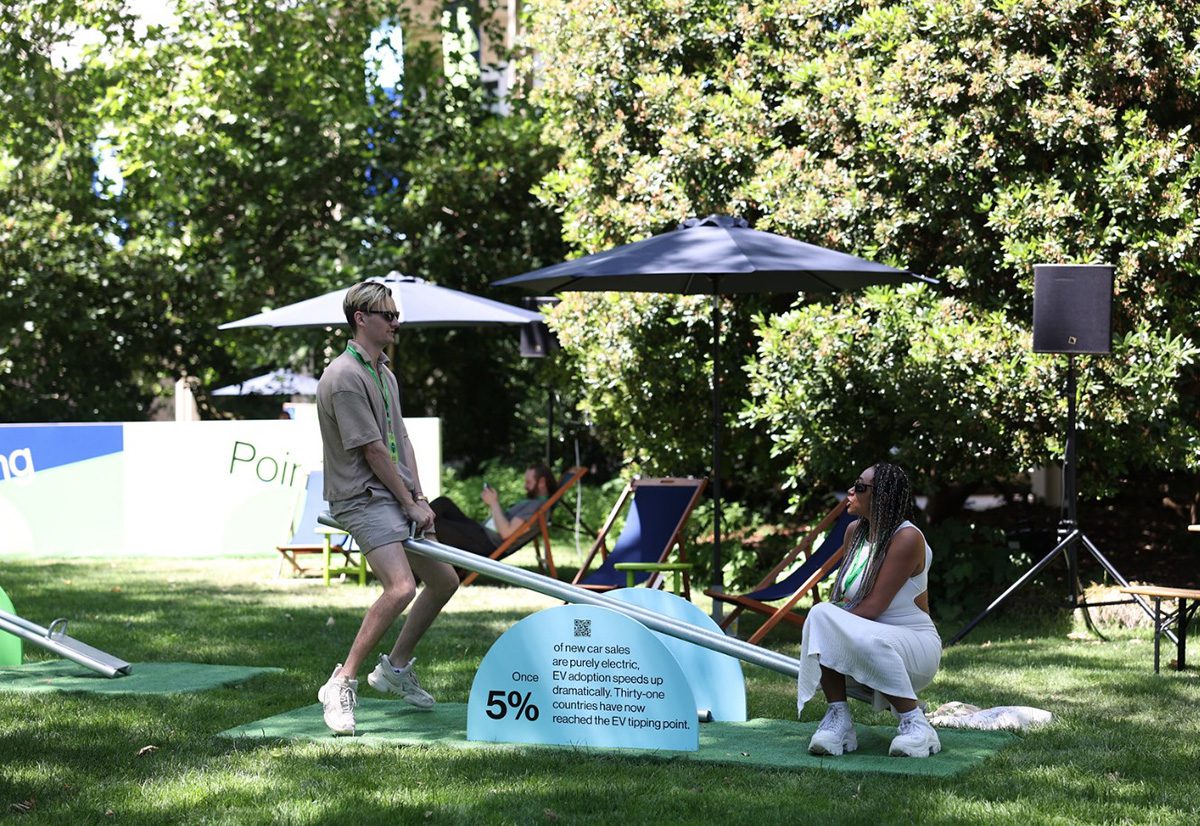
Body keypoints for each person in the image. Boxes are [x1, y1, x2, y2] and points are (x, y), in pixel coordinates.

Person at [314, 280, 459, 736]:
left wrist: (419, 498)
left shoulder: (384, 372)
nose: (396, 323)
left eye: (397, 315)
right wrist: (406, 502)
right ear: (362, 319)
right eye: (388, 316)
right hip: (362, 495)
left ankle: (394, 668)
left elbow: (401, 439)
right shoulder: (344, 377)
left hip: (395, 493)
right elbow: (374, 452)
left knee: (443, 580)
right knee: (400, 588)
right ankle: (341, 681)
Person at [797, 462, 943, 758]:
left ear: (883, 497)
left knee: (825, 618)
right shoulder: (854, 532)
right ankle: (839, 720)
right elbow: (845, 603)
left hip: (914, 646)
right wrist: (827, 624)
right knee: (824, 616)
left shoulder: (907, 537)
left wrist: (826, 625)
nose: (851, 491)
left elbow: (873, 608)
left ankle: (916, 724)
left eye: (860, 487)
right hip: (871, 638)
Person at [429, 464, 557, 560]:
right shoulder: (533, 503)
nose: (525, 486)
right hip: (480, 532)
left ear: (541, 482)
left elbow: (507, 533)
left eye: (528, 482)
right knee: (443, 503)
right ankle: (412, 524)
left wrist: (493, 502)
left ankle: (411, 535)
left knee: (438, 525)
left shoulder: (536, 506)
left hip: (486, 542)